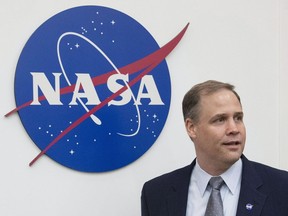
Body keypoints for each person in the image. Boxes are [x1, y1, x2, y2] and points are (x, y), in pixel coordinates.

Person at [141, 80, 288, 216]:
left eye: (238, 118)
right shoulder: (156, 193)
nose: (234, 129)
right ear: (191, 128)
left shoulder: (282, 187)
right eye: (220, 120)